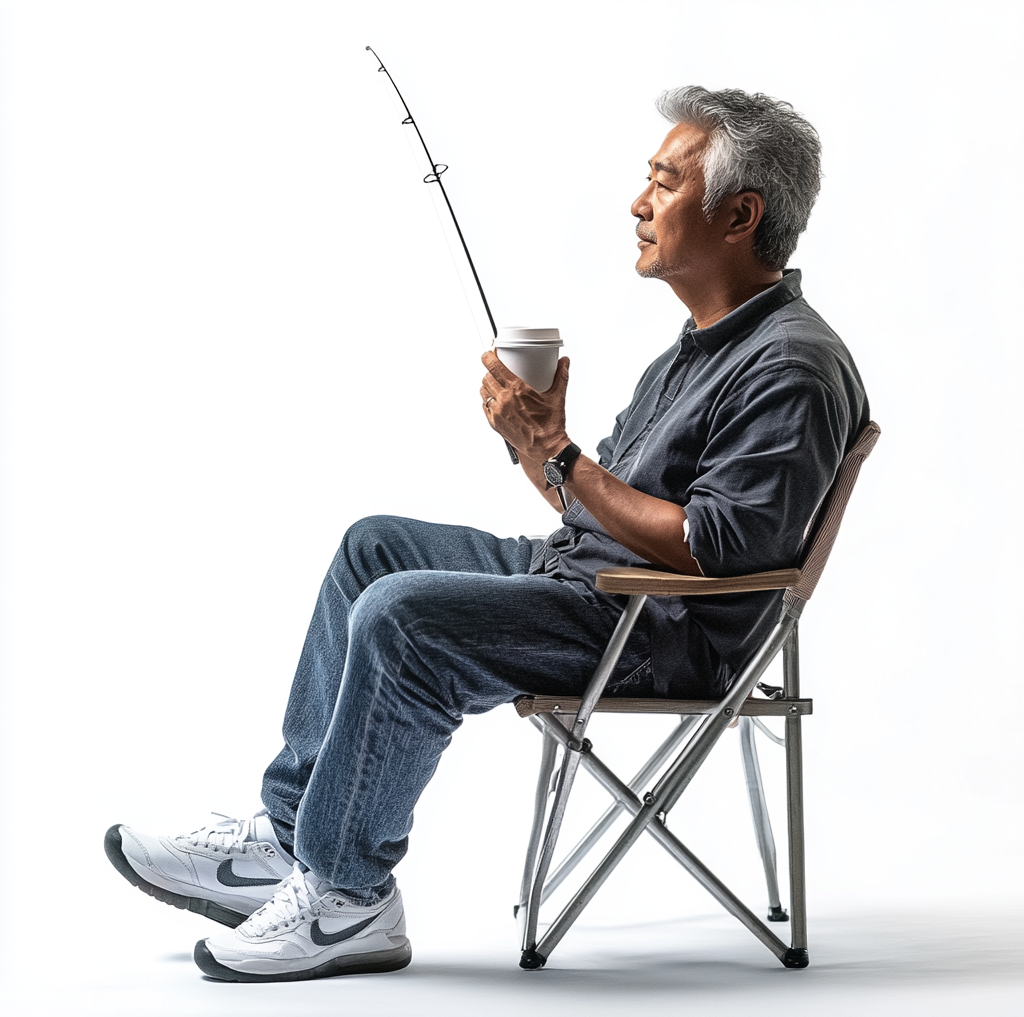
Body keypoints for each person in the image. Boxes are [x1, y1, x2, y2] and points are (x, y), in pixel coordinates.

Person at [105, 85, 868, 983]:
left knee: (404, 615)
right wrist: (537, 450)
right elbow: (597, 502)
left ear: (739, 215)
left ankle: (350, 897)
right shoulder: (700, 346)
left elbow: (719, 551)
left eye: (663, 183)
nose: (638, 203)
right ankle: (290, 836)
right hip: (592, 584)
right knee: (375, 548)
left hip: (662, 632)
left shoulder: (790, 366)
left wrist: (562, 453)